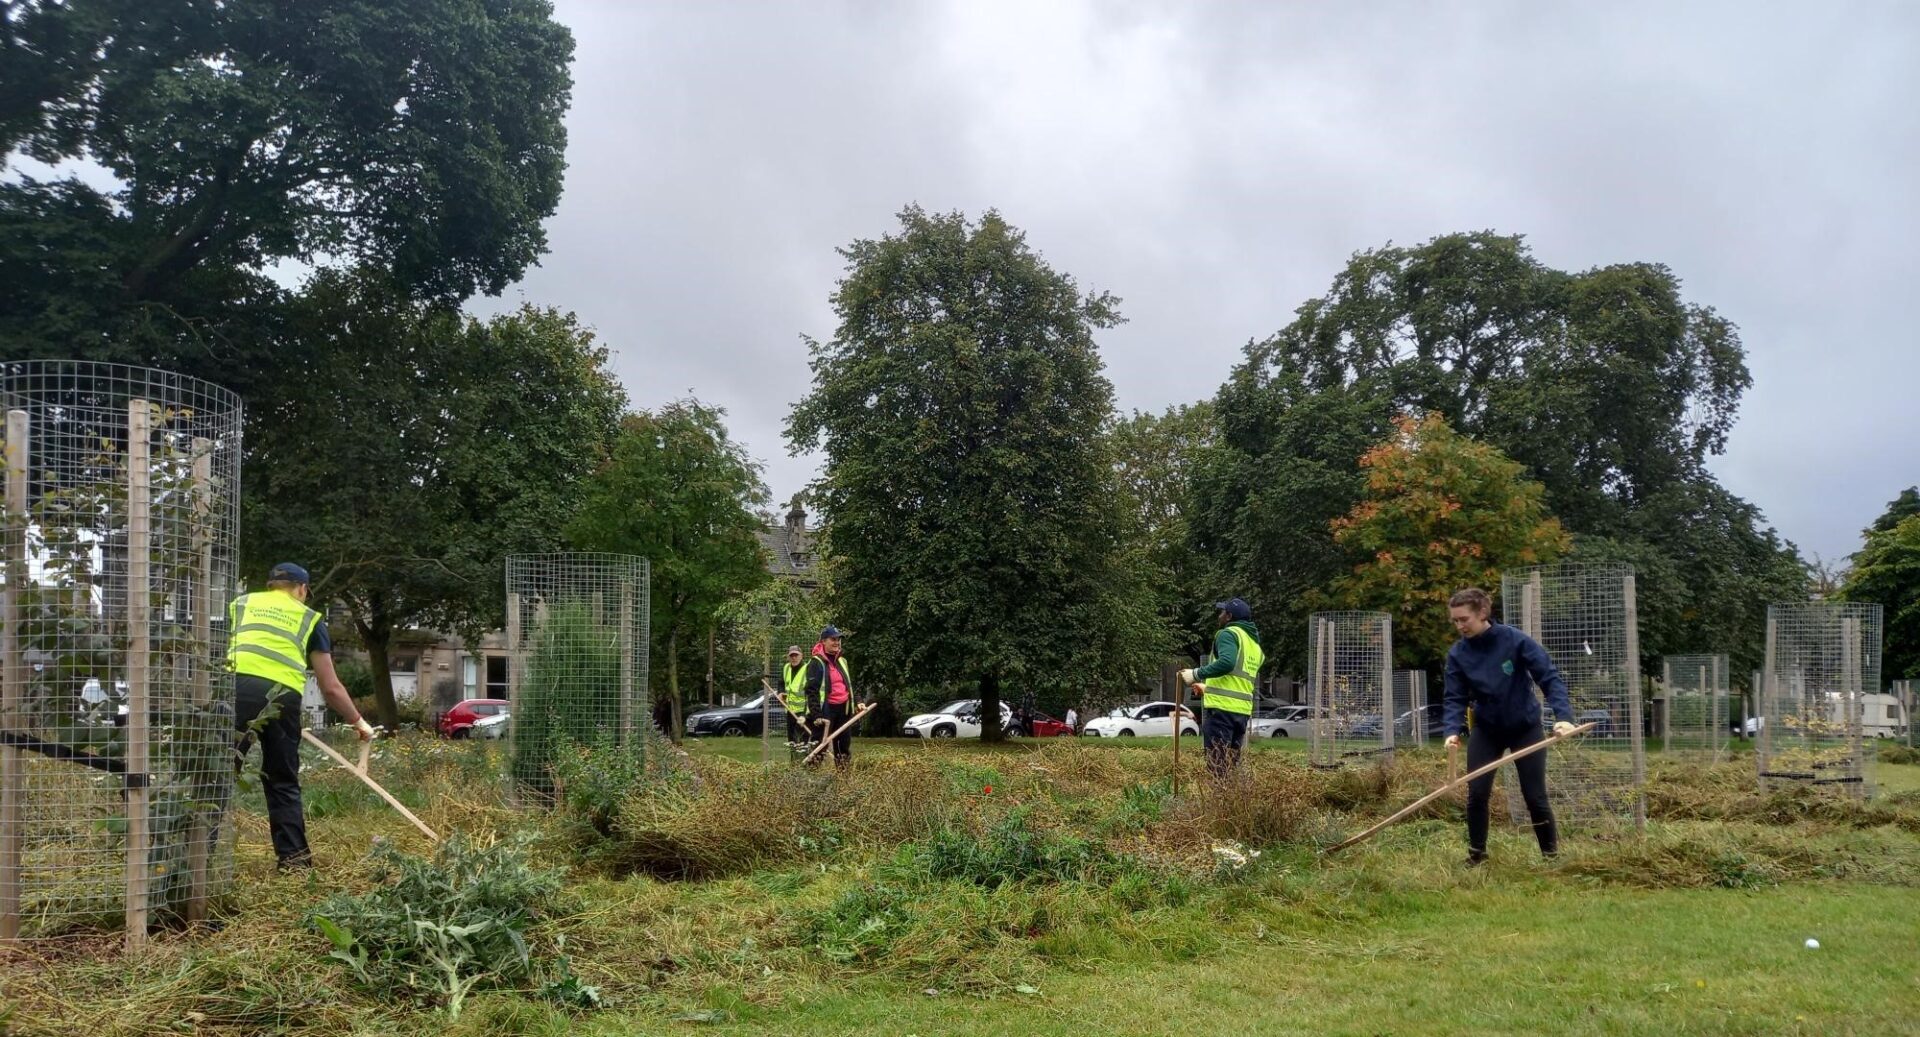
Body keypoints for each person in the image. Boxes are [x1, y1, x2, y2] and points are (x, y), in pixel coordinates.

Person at [229, 562, 373, 869]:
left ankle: (195, 859)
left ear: (270, 586)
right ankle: (294, 861)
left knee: (219, 773)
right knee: (282, 779)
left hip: (236, 690)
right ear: (302, 589)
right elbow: (330, 687)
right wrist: (359, 723)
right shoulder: (309, 619)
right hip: (283, 699)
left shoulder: (241, 604)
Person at [1440, 587, 1578, 866]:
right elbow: (1454, 697)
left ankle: (1550, 856)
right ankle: (1477, 855)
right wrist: (1451, 731)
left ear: (1482, 613)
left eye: (1464, 619)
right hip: (1487, 729)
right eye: (1455, 620)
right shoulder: (1458, 654)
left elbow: (1549, 678)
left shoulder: (1514, 641)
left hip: (1524, 727)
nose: (1459, 626)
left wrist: (1563, 717)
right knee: (1477, 793)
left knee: (1534, 795)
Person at [1179, 597, 1264, 778]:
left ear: (1229, 616)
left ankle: (1217, 804)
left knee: (1217, 765)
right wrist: (1207, 687)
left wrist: (1196, 674)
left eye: (1222, 612)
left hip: (1221, 712)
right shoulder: (1254, 645)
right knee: (1230, 765)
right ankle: (1230, 804)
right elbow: (1237, 679)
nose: (1220, 615)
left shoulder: (1228, 634)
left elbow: (1227, 663)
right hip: (1240, 712)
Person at [802, 625, 857, 766]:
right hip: (825, 712)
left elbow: (848, 685)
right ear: (823, 642)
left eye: (838, 639)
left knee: (843, 747)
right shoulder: (816, 663)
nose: (837, 642)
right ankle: (811, 778)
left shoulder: (842, 661)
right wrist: (816, 715)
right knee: (819, 747)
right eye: (833, 639)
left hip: (843, 710)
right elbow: (812, 691)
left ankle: (843, 781)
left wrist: (858, 702)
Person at [777, 644, 812, 753]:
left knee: (802, 740)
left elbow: (812, 693)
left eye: (796, 655)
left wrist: (805, 715)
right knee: (792, 740)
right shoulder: (786, 668)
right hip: (790, 710)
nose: (794, 658)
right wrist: (780, 692)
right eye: (791, 655)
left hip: (803, 712)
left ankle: (803, 763)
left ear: (801, 656)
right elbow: (781, 682)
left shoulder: (807, 669)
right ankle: (794, 764)